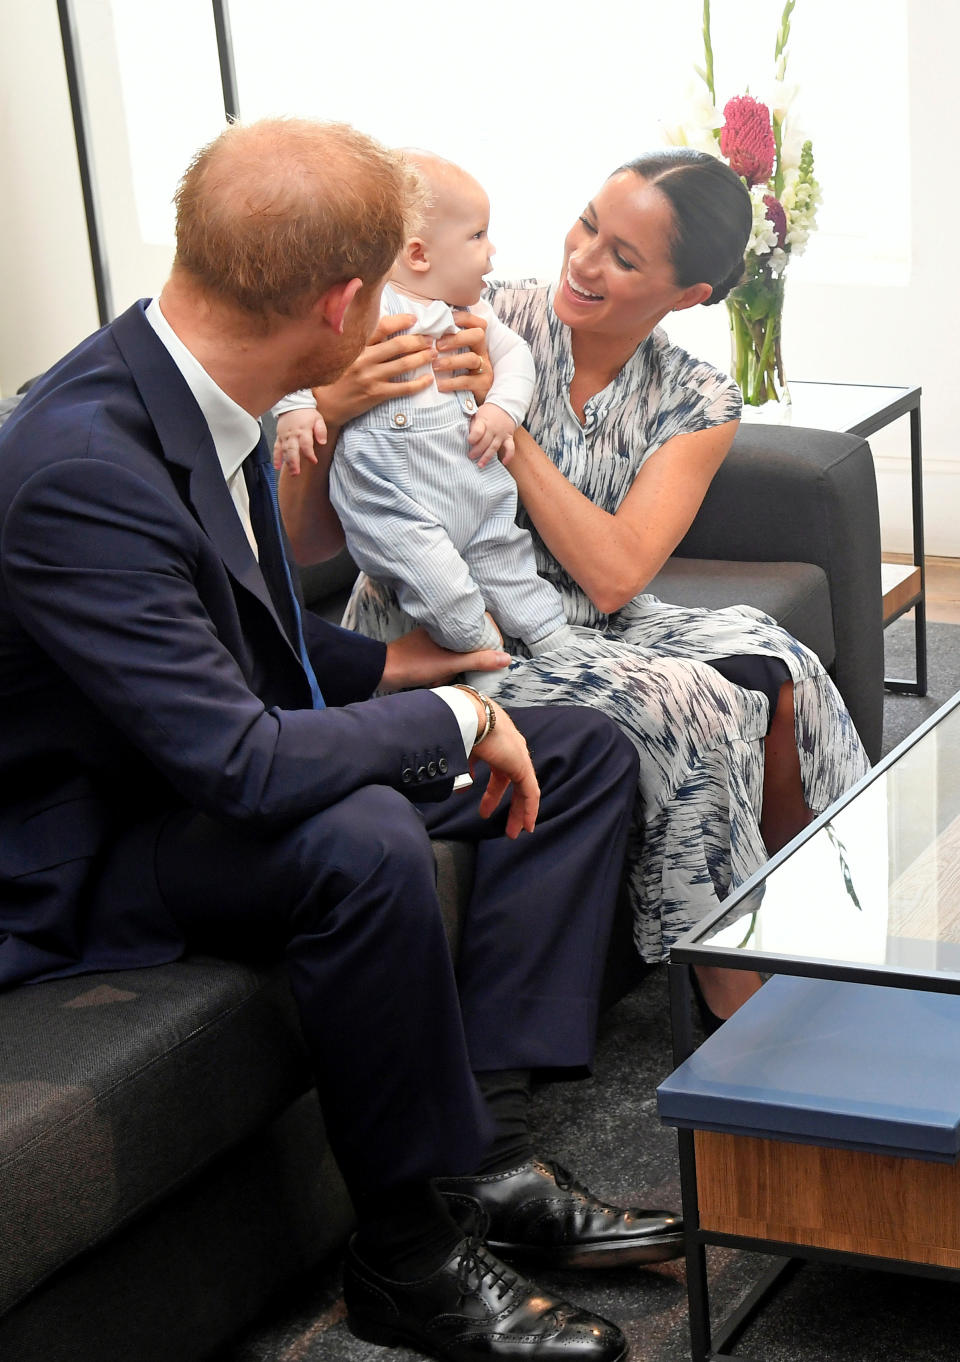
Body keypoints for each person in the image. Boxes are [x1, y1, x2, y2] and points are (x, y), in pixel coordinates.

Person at [0, 118, 690, 1362]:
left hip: (193, 757)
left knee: (575, 744)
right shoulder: (79, 468)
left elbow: (240, 642)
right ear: (342, 303)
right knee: (365, 832)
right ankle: (405, 1259)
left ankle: (470, 1154)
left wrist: (420, 670)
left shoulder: (209, 387)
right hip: (101, 844)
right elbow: (242, 760)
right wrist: (450, 714)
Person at [281, 148, 870, 1025]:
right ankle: (735, 999)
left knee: (780, 660)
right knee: (687, 703)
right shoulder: (472, 312)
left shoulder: (696, 397)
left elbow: (614, 571)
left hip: (588, 609)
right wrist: (325, 409)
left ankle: (841, 930)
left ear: (686, 297)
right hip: (452, 620)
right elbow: (310, 535)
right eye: (590, 223)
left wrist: (509, 432)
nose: (584, 259)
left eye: (624, 256)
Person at [273, 150, 573, 684]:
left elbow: (516, 359)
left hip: (468, 477)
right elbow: (301, 357)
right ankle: (480, 651)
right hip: (390, 497)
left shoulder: (470, 313)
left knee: (506, 558)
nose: (492, 251)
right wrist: (299, 411)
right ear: (418, 253)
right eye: (478, 236)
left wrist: (503, 408)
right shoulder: (362, 306)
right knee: (440, 584)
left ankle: (554, 639)